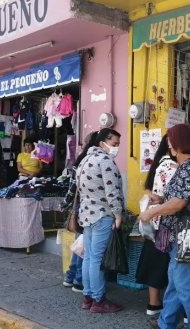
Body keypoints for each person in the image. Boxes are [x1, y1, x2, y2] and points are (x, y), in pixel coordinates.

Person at [139, 124, 190, 329]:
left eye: (171, 140)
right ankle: (166, 322)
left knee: (189, 287)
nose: (168, 144)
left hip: (189, 235)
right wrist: (160, 199)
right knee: (177, 280)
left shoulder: (189, 167)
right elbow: (184, 197)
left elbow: (179, 203)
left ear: (178, 143)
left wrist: (150, 212)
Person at [76, 128, 124, 313]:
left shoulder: (85, 160)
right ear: (103, 142)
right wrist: (118, 214)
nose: (116, 148)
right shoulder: (105, 161)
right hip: (102, 215)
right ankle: (99, 300)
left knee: (89, 257)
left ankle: (88, 297)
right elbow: (112, 192)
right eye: (114, 144)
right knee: (96, 258)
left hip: (87, 215)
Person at [135, 135, 175, 316]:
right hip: (166, 222)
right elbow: (175, 198)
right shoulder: (171, 166)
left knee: (155, 261)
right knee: (166, 265)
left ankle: (154, 303)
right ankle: (168, 307)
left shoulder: (159, 164)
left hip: (155, 221)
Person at [60, 134, 93, 293]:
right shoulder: (89, 162)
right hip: (88, 208)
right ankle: (78, 281)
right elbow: (73, 188)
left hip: (80, 207)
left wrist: (65, 203)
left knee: (80, 244)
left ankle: (70, 276)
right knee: (84, 246)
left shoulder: (80, 161)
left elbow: (71, 189)